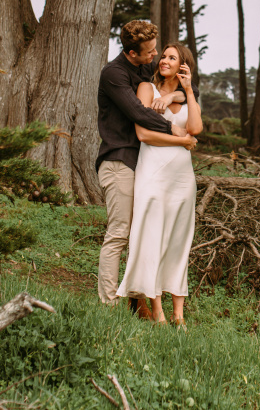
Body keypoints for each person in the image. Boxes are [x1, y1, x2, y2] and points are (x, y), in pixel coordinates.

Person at [96, 21, 196, 311]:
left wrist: (172, 95)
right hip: (119, 160)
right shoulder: (114, 74)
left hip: (142, 164)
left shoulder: (144, 68)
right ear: (131, 53)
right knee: (119, 233)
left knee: (140, 233)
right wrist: (172, 129)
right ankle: (108, 304)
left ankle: (136, 304)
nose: (155, 57)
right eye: (150, 52)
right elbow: (137, 112)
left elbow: (188, 90)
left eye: (157, 51)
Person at [116, 42, 202, 327]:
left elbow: (196, 129)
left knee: (178, 241)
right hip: (153, 172)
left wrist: (187, 91)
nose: (163, 60)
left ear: (183, 66)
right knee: (153, 237)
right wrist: (182, 140)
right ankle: (157, 311)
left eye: (171, 58)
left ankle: (179, 315)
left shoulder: (187, 96)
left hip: (182, 178)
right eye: (163, 56)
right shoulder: (146, 89)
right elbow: (144, 134)